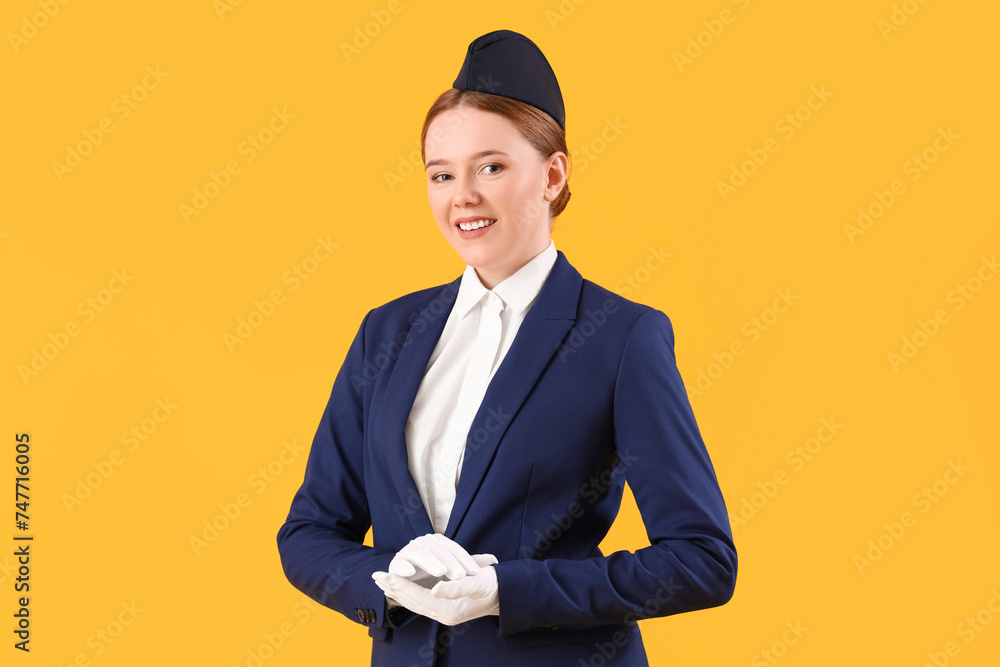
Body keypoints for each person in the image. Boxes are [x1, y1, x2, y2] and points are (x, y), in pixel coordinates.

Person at [276, 29, 737, 666]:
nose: (462, 195)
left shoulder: (622, 336)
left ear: (553, 175)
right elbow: (309, 533)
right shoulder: (386, 332)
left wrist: (506, 591)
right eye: (442, 174)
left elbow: (701, 560)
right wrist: (387, 577)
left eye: (491, 167)